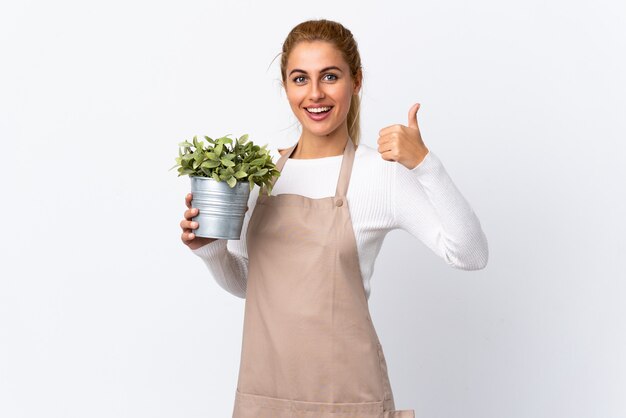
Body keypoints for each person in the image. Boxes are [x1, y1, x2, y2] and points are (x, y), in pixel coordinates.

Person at [179, 19, 488, 418]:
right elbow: (252, 286)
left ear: (355, 81)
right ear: (286, 87)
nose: (315, 94)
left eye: (329, 76)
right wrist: (212, 251)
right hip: (265, 399)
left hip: (348, 401)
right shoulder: (258, 177)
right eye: (300, 79)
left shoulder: (380, 175)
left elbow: (470, 254)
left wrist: (426, 165)